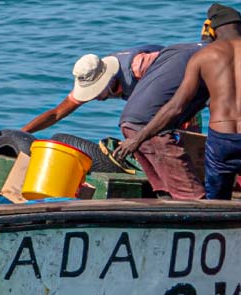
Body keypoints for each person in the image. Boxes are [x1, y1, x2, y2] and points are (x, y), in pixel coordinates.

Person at [120, 5, 241, 200]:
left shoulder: (202, 57)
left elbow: (176, 107)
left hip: (221, 139)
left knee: (215, 200)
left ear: (214, 30)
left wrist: (138, 138)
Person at [24, 43, 205, 199]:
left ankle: (191, 189)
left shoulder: (139, 67)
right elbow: (56, 113)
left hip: (182, 88)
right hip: (154, 107)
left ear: (108, 80)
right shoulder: (92, 73)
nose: (94, 98)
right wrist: (22, 134)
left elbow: (177, 81)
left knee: (172, 137)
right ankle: (163, 190)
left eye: (96, 93)